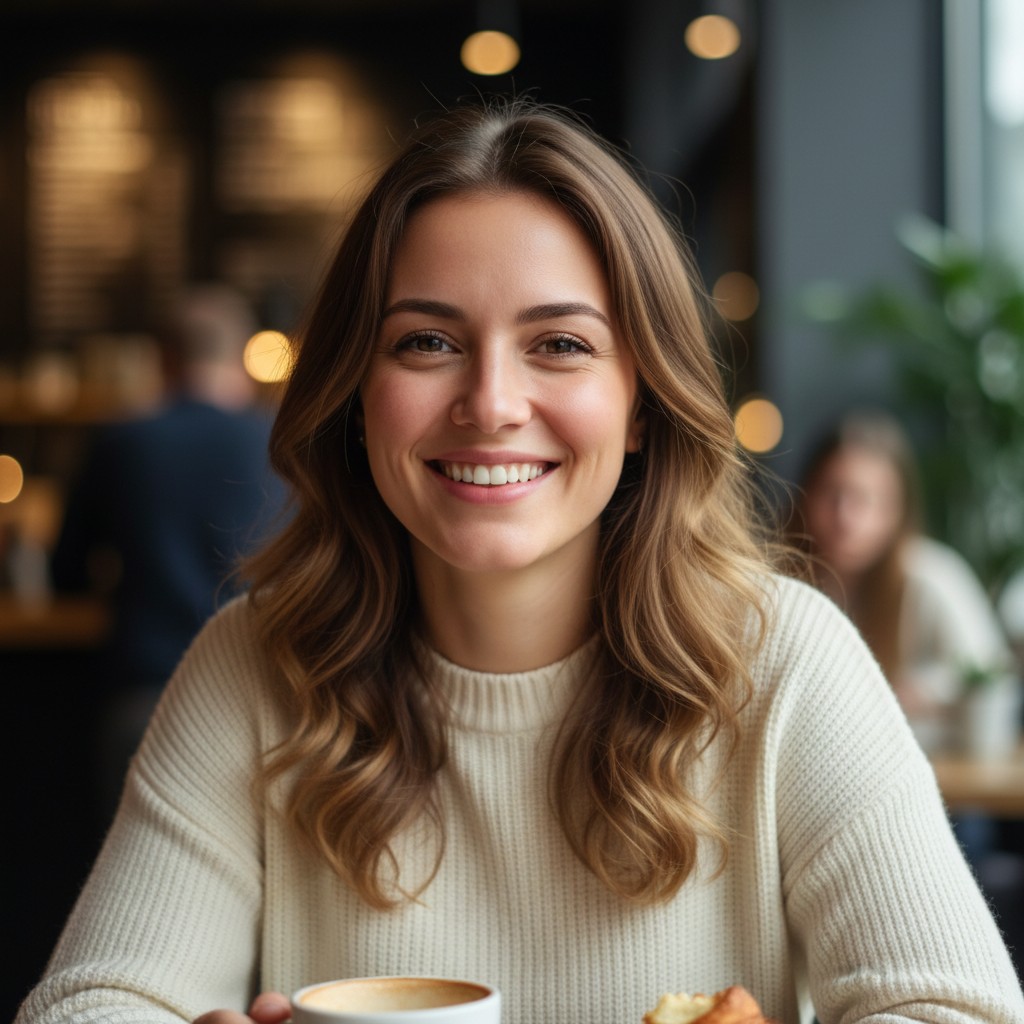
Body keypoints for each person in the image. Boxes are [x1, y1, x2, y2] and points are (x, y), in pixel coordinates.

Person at [16, 100, 1024, 1024]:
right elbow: (88, 1003)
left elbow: (957, 1009)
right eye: (424, 342)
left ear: (640, 401)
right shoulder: (253, 669)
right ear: (357, 393)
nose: (491, 402)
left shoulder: (788, 662)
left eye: (560, 346)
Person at [49, 283, 286, 814]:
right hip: (263, 698)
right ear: (242, 354)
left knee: (137, 880)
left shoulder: (121, 440)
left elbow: (66, 572)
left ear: (163, 356)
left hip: (145, 693)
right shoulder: (280, 443)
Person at [792, 411, 1017, 754]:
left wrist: (924, 691)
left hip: (942, 779)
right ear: (805, 495)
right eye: (832, 494)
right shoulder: (786, 585)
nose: (845, 517)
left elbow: (990, 676)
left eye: (864, 499)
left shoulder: (932, 576)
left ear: (896, 510)